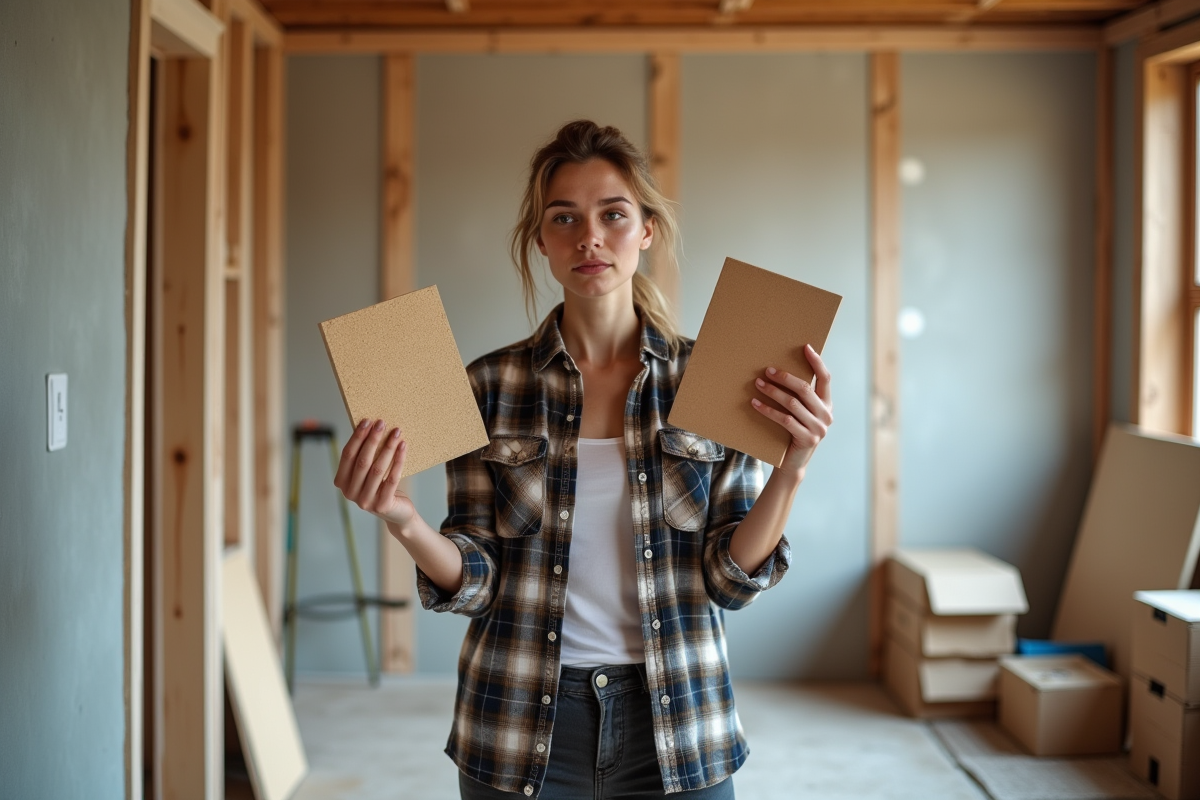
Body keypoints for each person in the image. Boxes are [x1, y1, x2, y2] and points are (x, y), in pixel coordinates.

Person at [333, 120, 833, 799]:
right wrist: (400, 518)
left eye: (613, 215)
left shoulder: (717, 378)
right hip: (515, 720)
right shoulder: (488, 385)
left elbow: (728, 579)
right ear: (541, 240)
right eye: (564, 217)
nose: (589, 237)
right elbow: (477, 580)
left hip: (679, 721)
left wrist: (791, 468)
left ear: (647, 230)